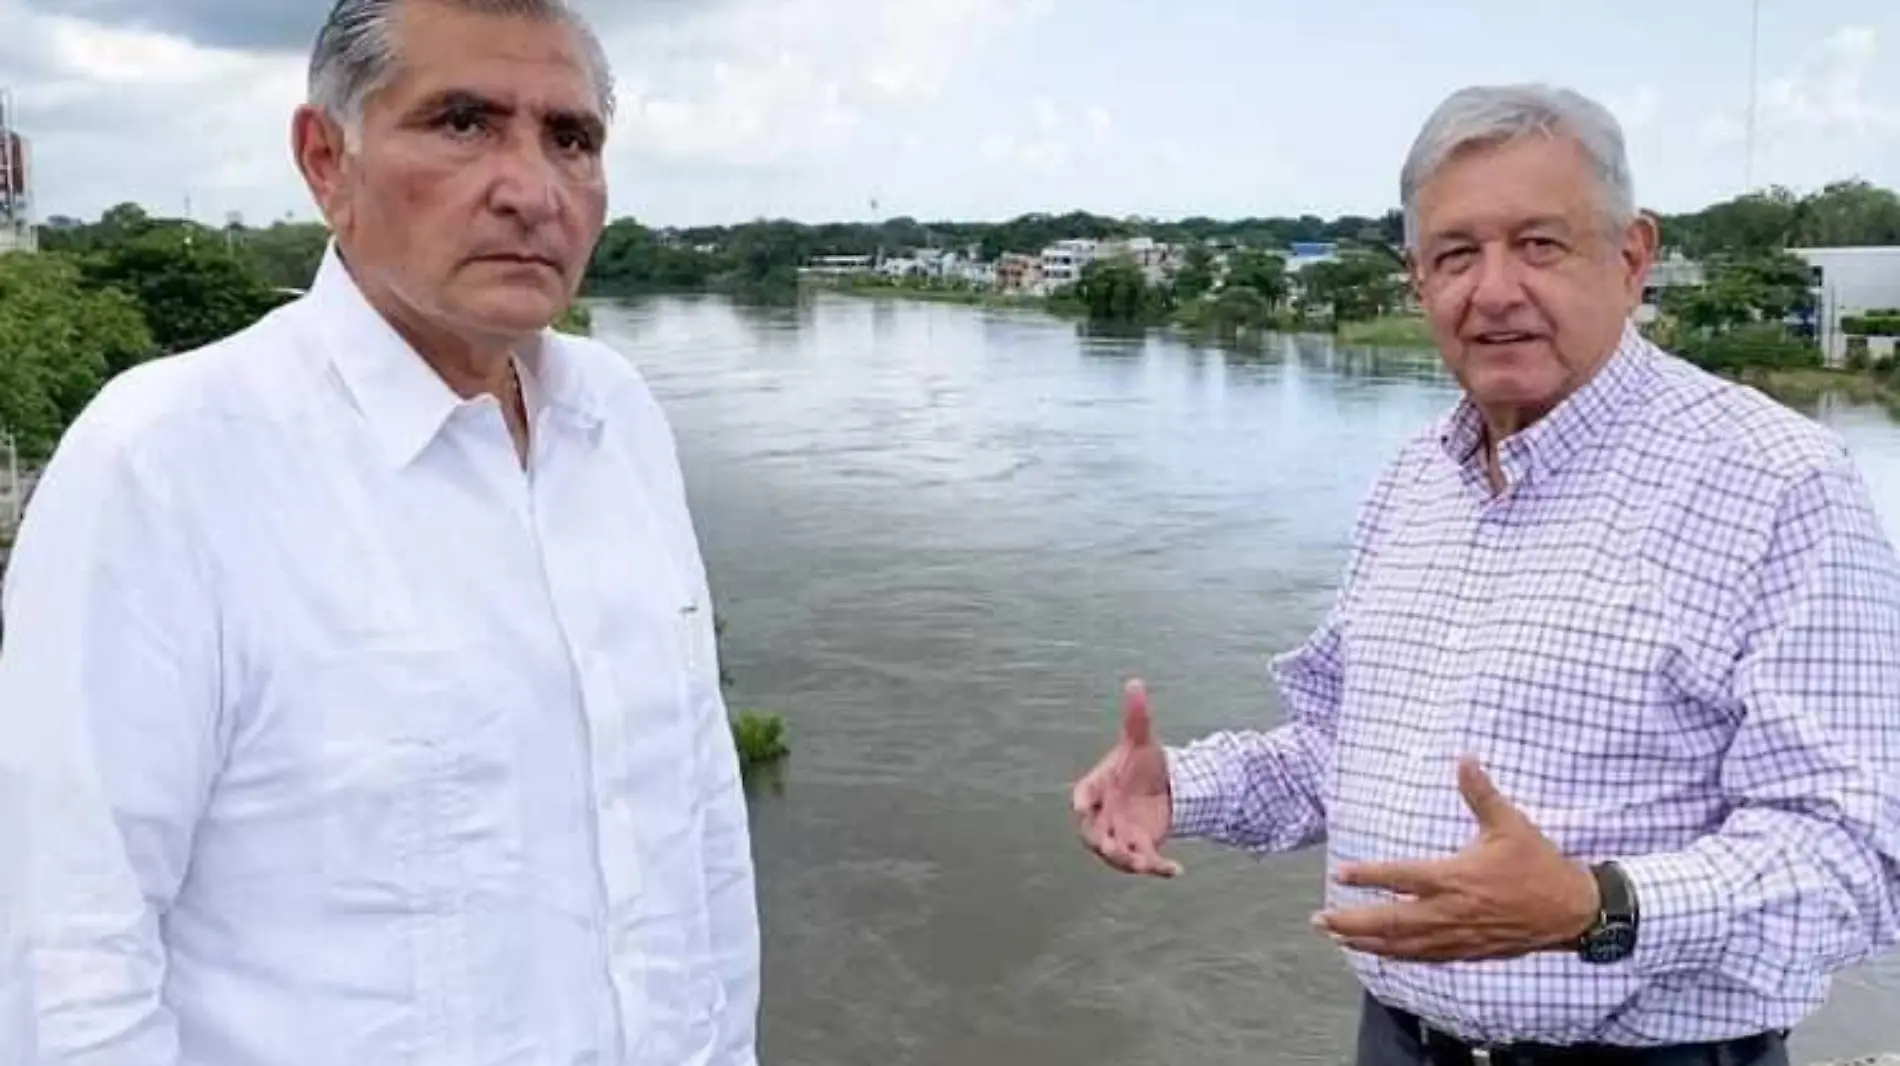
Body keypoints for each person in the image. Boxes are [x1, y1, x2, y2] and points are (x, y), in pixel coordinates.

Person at [1074, 82, 1900, 1066]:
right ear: (1418, 280)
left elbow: (1856, 855)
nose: (1495, 288)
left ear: (1631, 256)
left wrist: (1596, 906)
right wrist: (1183, 785)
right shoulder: (1413, 480)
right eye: (1456, 253)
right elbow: (1351, 752)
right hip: (1397, 1043)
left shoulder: (1778, 484)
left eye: (1539, 244)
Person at [0, 1, 760, 1062]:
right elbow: (66, 965)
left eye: (571, 138)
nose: (531, 190)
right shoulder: (165, 464)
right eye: (461, 122)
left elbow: (698, 836)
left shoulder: (617, 421)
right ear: (326, 159)